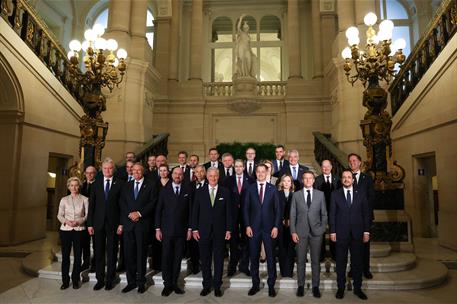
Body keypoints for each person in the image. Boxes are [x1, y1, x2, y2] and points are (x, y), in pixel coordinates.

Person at [330, 169, 370, 300]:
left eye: (349, 177)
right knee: (341, 263)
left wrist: (366, 231)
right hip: (340, 233)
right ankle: (340, 288)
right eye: (344, 177)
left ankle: (358, 288)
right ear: (341, 180)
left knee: (357, 262)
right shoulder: (335, 194)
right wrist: (333, 231)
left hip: (358, 233)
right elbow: (332, 215)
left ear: (353, 180)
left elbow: (366, 213)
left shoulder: (361, 193)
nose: (346, 179)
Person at [192, 167, 232, 297]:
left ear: (218, 176)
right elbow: (195, 212)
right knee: (205, 259)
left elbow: (228, 213)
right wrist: (194, 229)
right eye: (211, 176)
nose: (213, 178)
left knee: (219, 259)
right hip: (203, 231)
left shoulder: (225, 192)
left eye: (215, 176)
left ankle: (217, 286)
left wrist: (229, 229)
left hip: (220, 232)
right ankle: (206, 285)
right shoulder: (200, 191)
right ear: (207, 176)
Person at [244, 164, 282, 297]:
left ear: (267, 173)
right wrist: (247, 225)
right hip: (253, 229)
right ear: (255, 173)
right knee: (254, 257)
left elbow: (278, 211)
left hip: (269, 228)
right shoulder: (250, 189)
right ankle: (255, 284)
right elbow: (245, 209)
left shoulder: (273, 189)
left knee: (271, 258)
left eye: (263, 172)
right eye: (258, 172)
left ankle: (271, 286)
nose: (260, 174)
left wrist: (276, 226)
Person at [87, 157, 124, 291]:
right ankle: (100, 279)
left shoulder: (120, 184)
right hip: (98, 224)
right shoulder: (96, 184)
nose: (107, 170)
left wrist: (121, 224)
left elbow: (122, 206)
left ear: (113, 169)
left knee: (112, 252)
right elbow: (92, 206)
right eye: (105, 168)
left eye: (109, 168)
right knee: (99, 252)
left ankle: (110, 279)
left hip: (114, 224)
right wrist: (90, 224)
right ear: (101, 170)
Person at [155, 167, 192, 296]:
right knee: (166, 258)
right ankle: (167, 284)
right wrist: (157, 229)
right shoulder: (164, 190)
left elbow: (190, 211)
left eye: (180, 174)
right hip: (166, 231)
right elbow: (158, 210)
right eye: (175, 174)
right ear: (172, 175)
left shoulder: (187, 190)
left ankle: (175, 283)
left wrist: (189, 229)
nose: (178, 176)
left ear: (183, 176)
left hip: (182, 231)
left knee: (177, 259)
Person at [290, 171, 327, 298]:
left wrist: (322, 229)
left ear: (313, 180)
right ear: (302, 180)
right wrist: (293, 231)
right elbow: (293, 214)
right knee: (300, 261)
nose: (307, 180)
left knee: (315, 261)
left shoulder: (320, 195)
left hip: (316, 233)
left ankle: (315, 286)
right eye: (305, 178)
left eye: (310, 178)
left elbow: (324, 214)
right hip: (300, 232)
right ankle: (301, 286)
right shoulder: (296, 195)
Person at [120, 163, 156, 294]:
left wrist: (139, 214)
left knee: (141, 254)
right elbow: (122, 202)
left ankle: (141, 282)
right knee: (129, 255)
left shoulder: (150, 185)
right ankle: (131, 282)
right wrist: (130, 214)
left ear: (143, 172)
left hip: (142, 224)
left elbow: (153, 202)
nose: (136, 173)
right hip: (129, 224)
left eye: (139, 170)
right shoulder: (127, 185)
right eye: (134, 171)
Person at [57, 177, 88, 290]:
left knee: (78, 257)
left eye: (76, 185)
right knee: (65, 256)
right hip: (66, 230)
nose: (74, 187)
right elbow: (59, 215)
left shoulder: (85, 199)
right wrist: (67, 221)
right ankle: (65, 281)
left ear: (79, 186)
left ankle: (75, 280)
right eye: (72, 185)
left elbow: (86, 215)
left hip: (79, 230)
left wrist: (78, 221)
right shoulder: (64, 199)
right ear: (68, 187)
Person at [224, 159, 254, 276]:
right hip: (232, 216)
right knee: (233, 242)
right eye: (236, 166)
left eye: (240, 166)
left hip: (247, 216)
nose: (238, 168)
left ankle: (244, 266)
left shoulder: (251, 181)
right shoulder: (227, 181)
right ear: (233, 167)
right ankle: (232, 266)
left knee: (246, 241)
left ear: (244, 167)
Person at [348, 153, 375, 279]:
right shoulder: (345, 177)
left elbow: (371, 198)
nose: (352, 162)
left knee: (365, 245)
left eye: (355, 160)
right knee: (352, 246)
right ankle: (353, 269)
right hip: (349, 219)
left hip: (364, 217)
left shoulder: (367, 178)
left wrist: (367, 215)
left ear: (360, 162)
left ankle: (366, 269)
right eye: (350, 161)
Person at [314, 159, 341, 261]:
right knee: (320, 233)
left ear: (331, 167)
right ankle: (321, 256)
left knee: (334, 232)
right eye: (323, 166)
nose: (326, 168)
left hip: (335, 211)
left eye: (327, 166)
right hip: (320, 211)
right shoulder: (317, 180)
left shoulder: (338, 179)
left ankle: (334, 255)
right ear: (321, 168)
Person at [277, 175, 295, 278]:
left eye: (289, 181)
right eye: (284, 181)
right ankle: (283, 271)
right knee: (282, 249)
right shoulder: (277, 194)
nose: (287, 183)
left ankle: (290, 271)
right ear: (281, 182)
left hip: (292, 227)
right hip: (280, 226)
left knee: (291, 249)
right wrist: (281, 220)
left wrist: (291, 220)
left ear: (291, 183)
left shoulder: (295, 195)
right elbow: (274, 210)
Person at [80, 166, 96, 272]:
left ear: (95, 174)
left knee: (96, 243)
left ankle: (95, 264)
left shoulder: (99, 185)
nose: (89, 175)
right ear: (84, 174)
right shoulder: (81, 186)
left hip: (95, 218)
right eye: (87, 173)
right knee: (84, 242)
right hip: (83, 218)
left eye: (91, 173)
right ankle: (85, 262)